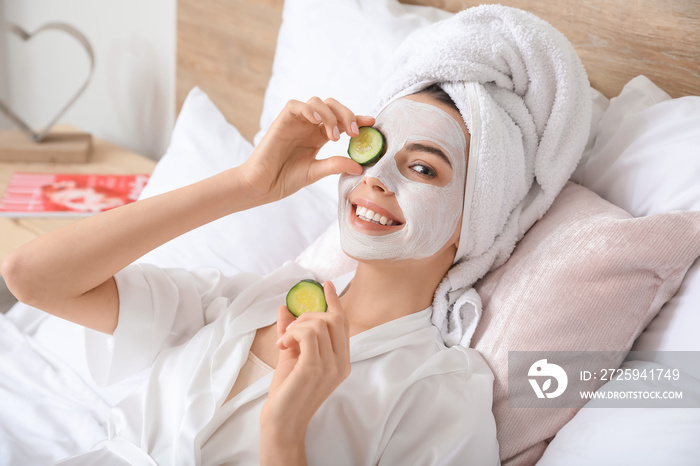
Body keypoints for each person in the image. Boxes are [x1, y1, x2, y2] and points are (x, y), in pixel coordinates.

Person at [2, 85, 500, 465]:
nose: (374, 175)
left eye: (423, 169)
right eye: (375, 149)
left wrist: (284, 434)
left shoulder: (445, 395)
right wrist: (248, 184)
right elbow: (31, 276)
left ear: (473, 220)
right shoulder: (246, 300)